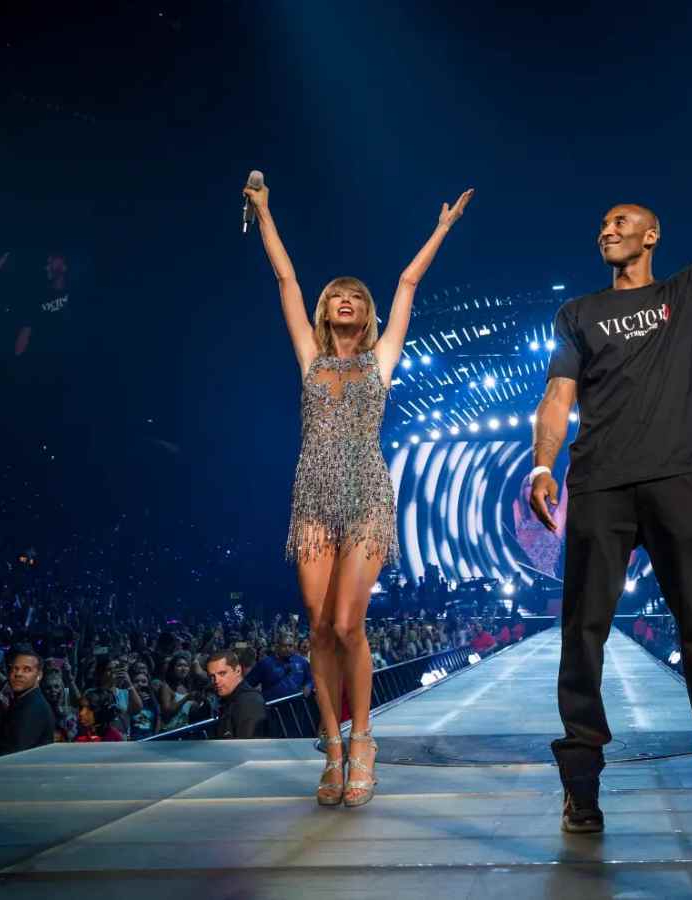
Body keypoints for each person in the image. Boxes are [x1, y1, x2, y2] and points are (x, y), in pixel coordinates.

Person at [527, 50, 692, 833]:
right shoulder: (578, 313)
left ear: (650, 235)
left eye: (621, 222)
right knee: (583, 633)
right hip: (601, 483)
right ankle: (582, 784)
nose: (606, 229)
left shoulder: (685, 293)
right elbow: (557, 395)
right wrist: (544, 463)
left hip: (676, 476)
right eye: (603, 224)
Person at [244, 175, 473, 808]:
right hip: (312, 497)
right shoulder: (308, 358)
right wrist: (264, 210)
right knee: (317, 627)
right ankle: (334, 745)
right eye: (336, 294)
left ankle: (365, 737)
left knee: (349, 624)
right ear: (325, 309)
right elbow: (287, 281)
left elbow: (406, 284)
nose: (345, 298)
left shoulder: (382, 359)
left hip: (368, 493)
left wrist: (442, 229)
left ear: (366, 312)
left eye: (354, 295)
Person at [0, 645, 55, 757]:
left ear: (39, 676)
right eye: (15, 668)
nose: (18, 674)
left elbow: (13, 755)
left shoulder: (34, 708)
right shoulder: (23, 700)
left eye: (27, 669)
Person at [15, 252, 72, 355]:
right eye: (47, 263)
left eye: (51, 263)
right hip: (44, 360)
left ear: (64, 267)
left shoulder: (76, 293)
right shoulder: (38, 297)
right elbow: (25, 333)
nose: (46, 267)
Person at [206, 650, 267, 740]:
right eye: (212, 676)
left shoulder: (249, 701)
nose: (216, 681)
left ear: (238, 670)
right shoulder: (231, 699)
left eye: (222, 673)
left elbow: (248, 747)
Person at [245, 628, 313, 702]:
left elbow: (310, 678)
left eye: (290, 646)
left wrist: (308, 685)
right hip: (273, 710)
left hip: (296, 709)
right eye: (284, 646)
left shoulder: (301, 661)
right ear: (277, 646)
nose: (287, 649)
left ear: (294, 646)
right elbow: (248, 684)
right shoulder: (265, 663)